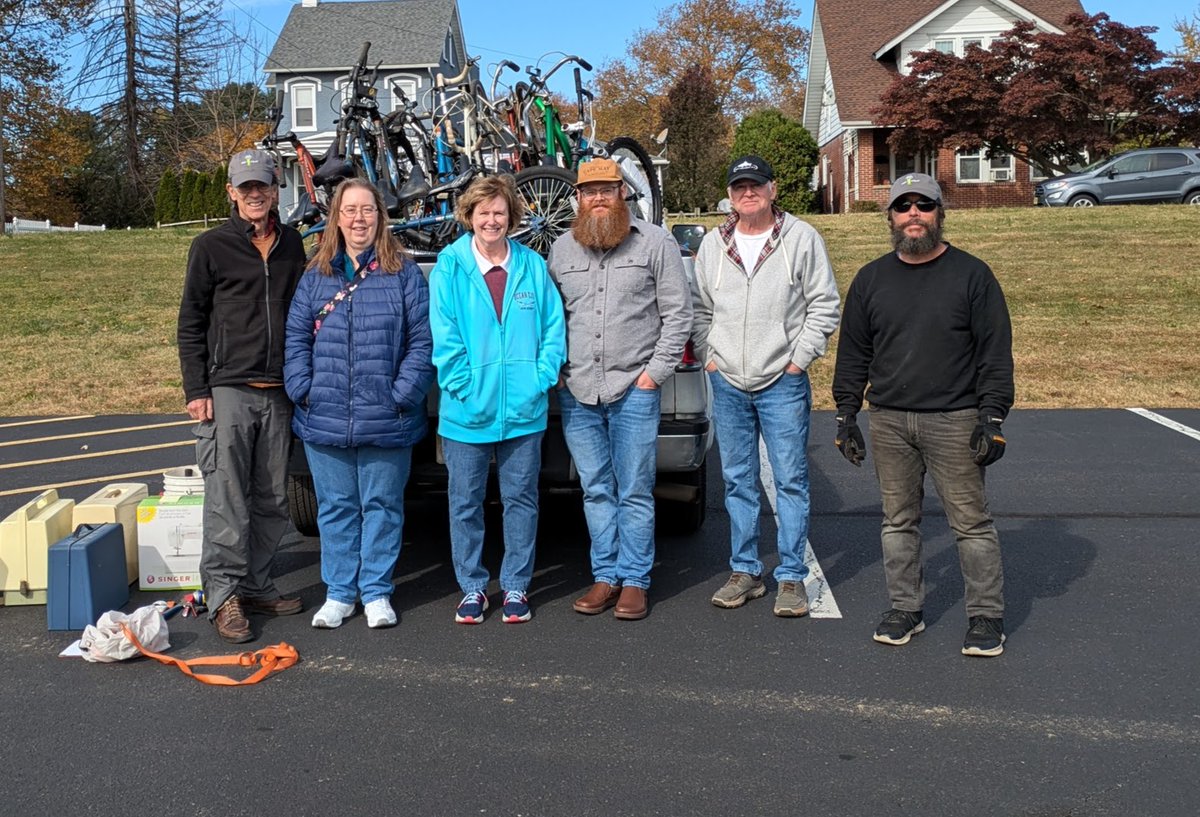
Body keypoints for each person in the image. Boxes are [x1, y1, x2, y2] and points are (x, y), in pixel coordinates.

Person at [831, 172, 1014, 657]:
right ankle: (905, 608)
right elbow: (853, 353)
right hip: (889, 420)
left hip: (956, 419)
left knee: (971, 523)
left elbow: (995, 354)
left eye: (924, 205)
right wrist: (846, 415)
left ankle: (986, 617)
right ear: (889, 216)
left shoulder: (973, 275)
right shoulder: (871, 279)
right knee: (897, 521)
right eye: (904, 206)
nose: (914, 214)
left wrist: (992, 418)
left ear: (939, 213)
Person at [692, 155, 841, 617]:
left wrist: (798, 361)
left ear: (772, 190)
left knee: (790, 479)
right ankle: (745, 572)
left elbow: (825, 305)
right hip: (729, 381)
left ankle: (792, 576)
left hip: (782, 381)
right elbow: (699, 309)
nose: (747, 193)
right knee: (738, 481)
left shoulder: (800, 239)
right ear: (731, 195)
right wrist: (709, 358)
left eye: (755, 185)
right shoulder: (714, 246)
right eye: (739, 186)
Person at [283, 178, 434, 630]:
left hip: (386, 415)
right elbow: (294, 338)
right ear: (337, 218)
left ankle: (377, 591)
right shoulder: (316, 275)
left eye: (367, 210)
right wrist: (302, 388)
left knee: (383, 505)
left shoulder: (403, 273)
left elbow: (422, 342)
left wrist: (401, 394)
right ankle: (340, 592)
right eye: (349, 210)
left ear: (380, 217)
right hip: (324, 412)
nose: (359, 219)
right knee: (335, 507)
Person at [548, 158, 693, 621]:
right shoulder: (561, 250)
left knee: (634, 489)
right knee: (595, 490)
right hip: (579, 391)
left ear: (622, 193)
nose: (597, 198)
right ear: (577, 197)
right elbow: (552, 320)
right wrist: (557, 371)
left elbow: (678, 315)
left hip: (635, 388)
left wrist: (653, 376)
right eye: (589, 191)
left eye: (606, 190)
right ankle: (604, 576)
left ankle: (634, 581)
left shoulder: (656, 243)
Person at [178, 149, 307, 644]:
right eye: (246, 188)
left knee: (273, 498)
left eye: (264, 187)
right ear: (232, 192)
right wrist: (196, 389)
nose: (256, 195)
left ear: (276, 190)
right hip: (228, 388)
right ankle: (224, 595)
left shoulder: (293, 244)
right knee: (227, 499)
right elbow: (190, 322)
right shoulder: (211, 246)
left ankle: (256, 584)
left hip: (279, 391)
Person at [429, 175, 566, 625]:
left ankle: (516, 586)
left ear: (512, 217)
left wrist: (541, 378)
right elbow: (444, 336)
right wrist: (464, 387)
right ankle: (471, 587)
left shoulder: (531, 264)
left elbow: (553, 329)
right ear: (469, 216)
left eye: (500, 212)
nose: (492, 220)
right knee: (464, 503)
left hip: (524, 411)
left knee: (521, 500)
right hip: (466, 411)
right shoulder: (450, 265)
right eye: (483, 212)